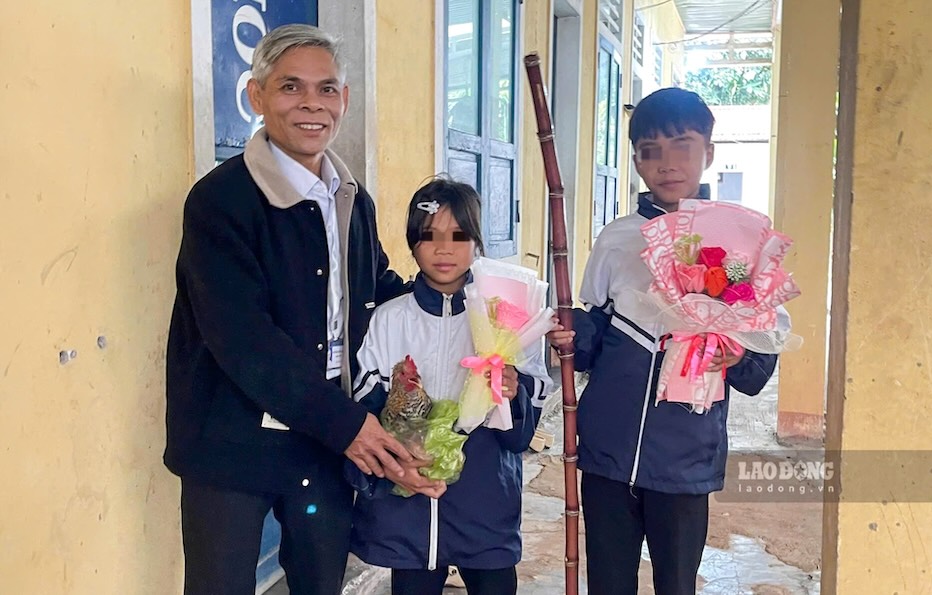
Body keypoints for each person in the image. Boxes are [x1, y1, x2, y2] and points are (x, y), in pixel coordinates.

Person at [164, 24, 431, 595]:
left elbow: (372, 288)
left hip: (321, 434)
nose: (312, 104)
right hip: (233, 442)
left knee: (319, 581)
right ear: (256, 96)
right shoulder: (221, 201)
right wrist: (348, 426)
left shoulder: (350, 198)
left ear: (346, 99)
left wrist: (448, 307)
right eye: (291, 87)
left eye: (327, 89)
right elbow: (242, 339)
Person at [548, 88, 778, 594]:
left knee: (676, 584)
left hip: (685, 459)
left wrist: (734, 354)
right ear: (635, 161)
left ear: (709, 152)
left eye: (683, 144)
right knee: (609, 582)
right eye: (650, 149)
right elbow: (590, 343)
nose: (667, 163)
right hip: (607, 452)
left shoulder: (741, 244)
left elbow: (758, 370)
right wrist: (565, 338)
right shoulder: (617, 239)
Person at [347, 179, 552, 595]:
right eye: (429, 235)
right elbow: (366, 403)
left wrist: (513, 391)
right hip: (410, 502)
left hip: (485, 501)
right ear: (411, 242)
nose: (444, 249)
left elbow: (520, 434)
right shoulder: (390, 319)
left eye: (459, 235)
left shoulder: (505, 319)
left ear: (477, 242)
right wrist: (397, 456)